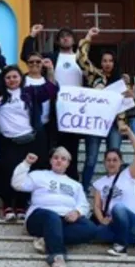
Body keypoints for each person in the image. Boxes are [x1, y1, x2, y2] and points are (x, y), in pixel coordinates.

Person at [12, 149, 97, 267]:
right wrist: (26, 164)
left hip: (65, 219)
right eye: (56, 157)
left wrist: (77, 212)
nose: (59, 160)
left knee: (91, 228)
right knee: (52, 217)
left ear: (68, 163)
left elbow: (84, 205)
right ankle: (57, 259)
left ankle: (48, 238)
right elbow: (17, 184)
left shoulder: (75, 185)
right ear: (51, 160)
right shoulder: (39, 175)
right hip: (40, 216)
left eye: (63, 159)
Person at [0, 62, 58, 222]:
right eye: (8, 77)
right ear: (3, 80)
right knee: (7, 170)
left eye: (15, 76)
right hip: (8, 140)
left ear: (21, 78)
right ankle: (7, 204)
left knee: (27, 172)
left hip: (30, 139)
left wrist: (50, 71)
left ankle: (22, 204)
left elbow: (51, 90)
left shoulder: (31, 92)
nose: (11, 80)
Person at [21, 24, 85, 180]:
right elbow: (28, 56)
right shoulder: (51, 57)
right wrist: (31, 36)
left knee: (73, 148)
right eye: (62, 36)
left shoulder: (82, 59)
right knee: (54, 146)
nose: (65, 37)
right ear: (57, 41)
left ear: (73, 39)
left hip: (77, 109)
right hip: (56, 108)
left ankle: (72, 179)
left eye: (68, 35)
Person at [78, 28, 132, 192]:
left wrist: (130, 94)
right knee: (91, 159)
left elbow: (127, 104)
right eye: (104, 60)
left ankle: (113, 187)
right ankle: (84, 187)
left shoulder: (122, 81)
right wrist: (87, 38)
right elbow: (82, 59)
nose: (107, 63)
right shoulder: (94, 76)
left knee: (114, 158)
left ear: (114, 63)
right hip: (95, 124)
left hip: (114, 125)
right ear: (100, 62)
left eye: (110, 61)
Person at [93, 122, 135, 256]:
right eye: (108, 160)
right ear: (104, 162)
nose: (111, 163)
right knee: (95, 232)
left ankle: (122, 246)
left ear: (121, 162)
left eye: (115, 160)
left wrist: (129, 132)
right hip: (114, 223)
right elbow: (96, 205)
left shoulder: (129, 174)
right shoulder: (99, 183)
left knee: (117, 208)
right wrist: (101, 220)